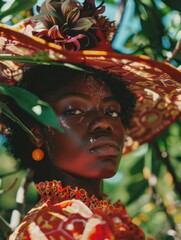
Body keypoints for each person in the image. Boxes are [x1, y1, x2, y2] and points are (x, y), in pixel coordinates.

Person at [0, 0, 181, 239]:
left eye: (112, 112)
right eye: (74, 110)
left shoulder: (98, 219)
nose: (103, 123)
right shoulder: (49, 227)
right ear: (37, 133)